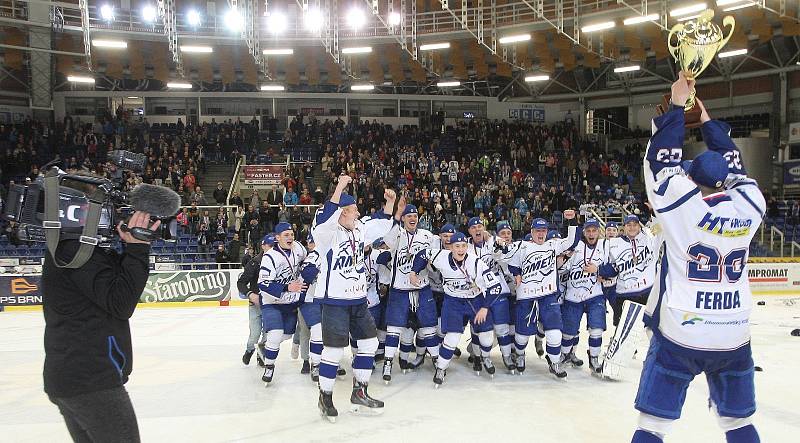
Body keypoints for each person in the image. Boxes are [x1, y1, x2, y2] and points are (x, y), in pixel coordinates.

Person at [631, 73, 765, 443]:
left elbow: (660, 162)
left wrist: (676, 108)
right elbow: (736, 168)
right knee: (737, 423)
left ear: (692, 180)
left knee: (652, 425)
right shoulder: (751, 204)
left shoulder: (681, 206)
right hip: (733, 332)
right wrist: (707, 122)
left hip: (682, 330)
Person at [43, 211, 160, 443]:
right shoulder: (75, 251)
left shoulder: (71, 248)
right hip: (91, 379)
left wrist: (129, 247)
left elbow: (111, 287)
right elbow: (121, 302)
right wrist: (137, 249)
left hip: (74, 377)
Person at [310, 175, 398, 422]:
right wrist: (339, 186)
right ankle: (325, 397)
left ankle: (360, 391)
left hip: (358, 300)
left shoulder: (360, 229)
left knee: (369, 344)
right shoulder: (327, 233)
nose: (358, 214)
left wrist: (390, 204)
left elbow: (381, 224)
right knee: (334, 351)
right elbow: (328, 213)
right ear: (341, 213)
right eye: (354, 210)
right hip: (335, 301)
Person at [410, 232, 502, 387]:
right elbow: (423, 254)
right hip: (453, 302)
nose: (461, 249)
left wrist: (485, 308)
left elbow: (496, 286)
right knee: (452, 337)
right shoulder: (440, 256)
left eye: (464, 246)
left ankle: (485, 357)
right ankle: (441, 368)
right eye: (457, 246)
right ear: (450, 247)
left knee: (486, 337)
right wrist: (414, 272)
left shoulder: (476, 263)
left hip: (475, 300)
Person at [508, 218, 579, 377]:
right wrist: (516, 273)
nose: (541, 233)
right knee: (522, 333)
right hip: (527, 296)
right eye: (537, 231)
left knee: (555, 332)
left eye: (543, 231)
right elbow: (512, 264)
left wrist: (572, 221)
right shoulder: (522, 246)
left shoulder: (552, 245)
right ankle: (520, 354)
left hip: (548, 295)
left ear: (547, 232)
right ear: (531, 232)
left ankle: (554, 362)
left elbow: (573, 241)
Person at [382, 204, 440, 382]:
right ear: (404, 218)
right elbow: (387, 239)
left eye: (415, 215)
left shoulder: (427, 236)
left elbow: (436, 255)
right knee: (394, 328)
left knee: (429, 326)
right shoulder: (397, 233)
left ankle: (438, 362)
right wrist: (397, 214)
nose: (412, 218)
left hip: (422, 288)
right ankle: (388, 362)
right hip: (399, 289)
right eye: (409, 216)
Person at [256, 222, 308, 384]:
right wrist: (287, 286)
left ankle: (266, 346)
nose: (290, 237)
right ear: (277, 238)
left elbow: (307, 259)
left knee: (286, 335)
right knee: (275, 334)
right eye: (286, 235)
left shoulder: (299, 248)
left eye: (291, 234)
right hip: (272, 302)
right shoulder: (270, 257)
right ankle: (269, 366)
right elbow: (263, 284)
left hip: (290, 303)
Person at [560, 218, 610, 374]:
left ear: (599, 231)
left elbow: (614, 268)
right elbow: (561, 268)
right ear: (584, 232)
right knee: (568, 333)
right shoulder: (576, 247)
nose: (591, 233)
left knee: (597, 329)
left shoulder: (605, 246)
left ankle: (594, 358)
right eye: (588, 230)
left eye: (594, 230)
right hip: (573, 296)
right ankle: (565, 355)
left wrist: (599, 270)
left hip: (595, 295)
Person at [465, 217, 513, 374]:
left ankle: (507, 357)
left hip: (498, 290)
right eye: (473, 227)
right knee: (478, 327)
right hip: (477, 293)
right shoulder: (465, 246)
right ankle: (479, 356)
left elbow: (504, 250)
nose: (477, 229)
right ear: (469, 231)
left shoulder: (493, 241)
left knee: (502, 328)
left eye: (480, 226)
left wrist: (493, 236)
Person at [599, 214, 657, 327]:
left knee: (649, 328)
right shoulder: (614, 244)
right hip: (624, 294)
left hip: (647, 292)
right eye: (628, 225)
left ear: (639, 227)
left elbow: (659, 226)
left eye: (635, 225)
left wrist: (653, 211)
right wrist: (598, 271)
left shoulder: (649, 237)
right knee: (621, 329)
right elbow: (613, 267)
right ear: (624, 227)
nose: (632, 227)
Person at [237, 234, 274, 367]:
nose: (272, 248)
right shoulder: (254, 263)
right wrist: (250, 294)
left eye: (274, 245)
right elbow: (241, 283)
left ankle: (261, 355)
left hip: (271, 305)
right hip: (255, 305)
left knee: (268, 334)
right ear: (263, 246)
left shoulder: (279, 262)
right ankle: (249, 349)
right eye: (270, 245)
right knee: (254, 334)